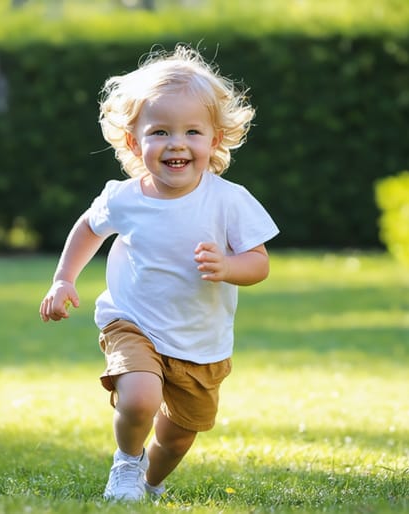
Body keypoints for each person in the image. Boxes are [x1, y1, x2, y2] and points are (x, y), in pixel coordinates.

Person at [38, 44, 279, 502]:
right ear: (134, 142)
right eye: (160, 131)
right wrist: (64, 278)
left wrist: (228, 266)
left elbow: (259, 263)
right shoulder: (126, 197)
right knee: (140, 398)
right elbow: (89, 228)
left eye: (192, 131)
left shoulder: (229, 200)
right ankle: (127, 464)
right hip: (133, 320)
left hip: (199, 340)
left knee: (178, 437)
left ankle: (150, 481)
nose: (177, 143)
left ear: (215, 140)